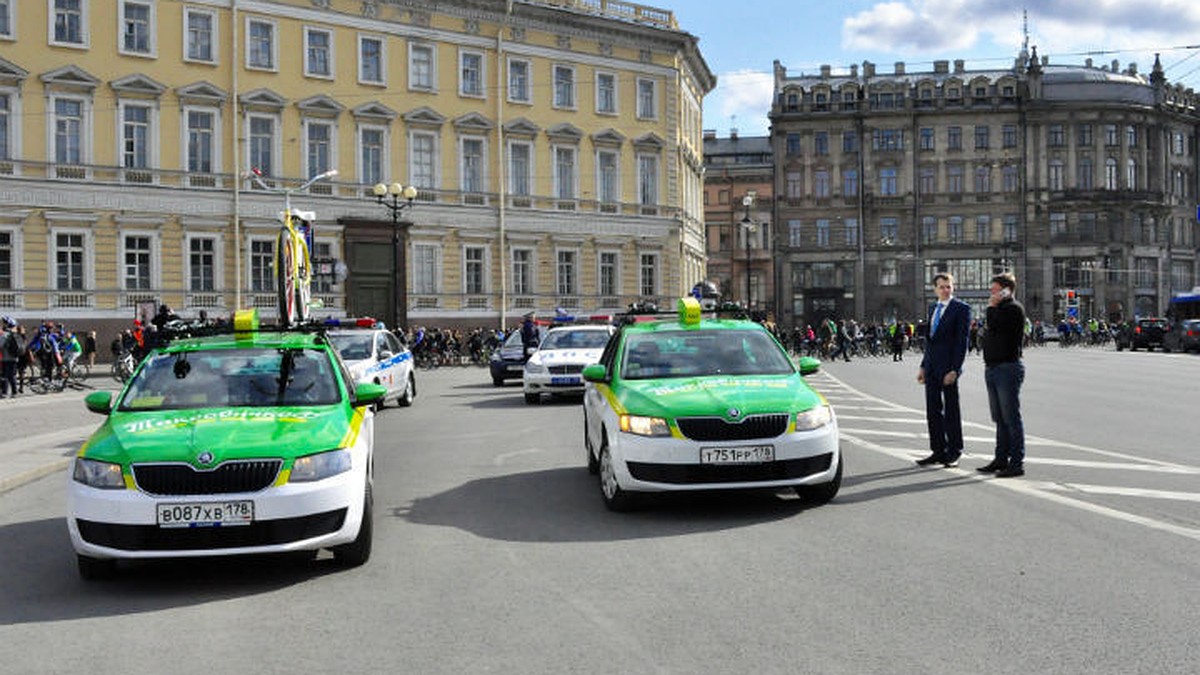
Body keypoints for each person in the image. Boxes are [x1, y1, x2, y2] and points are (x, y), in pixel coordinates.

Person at [916, 272, 971, 468]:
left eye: (949, 286)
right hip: (931, 367)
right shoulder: (933, 308)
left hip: (948, 369)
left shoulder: (961, 309)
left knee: (951, 411)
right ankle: (937, 451)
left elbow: (961, 343)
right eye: (942, 287)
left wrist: (955, 369)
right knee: (933, 411)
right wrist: (923, 366)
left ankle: (954, 451)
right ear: (935, 289)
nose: (946, 290)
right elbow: (930, 342)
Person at [978, 273, 1027, 478]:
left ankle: (1016, 462)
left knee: (1011, 417)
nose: (992, 293)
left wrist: (990, 307)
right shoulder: (999, 310)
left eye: (995, 290)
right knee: (999, 418)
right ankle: (1000, 458)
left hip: (1007, 367)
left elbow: (996, 325)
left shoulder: (1013, 309)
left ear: (1007, 290)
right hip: (993, 367)